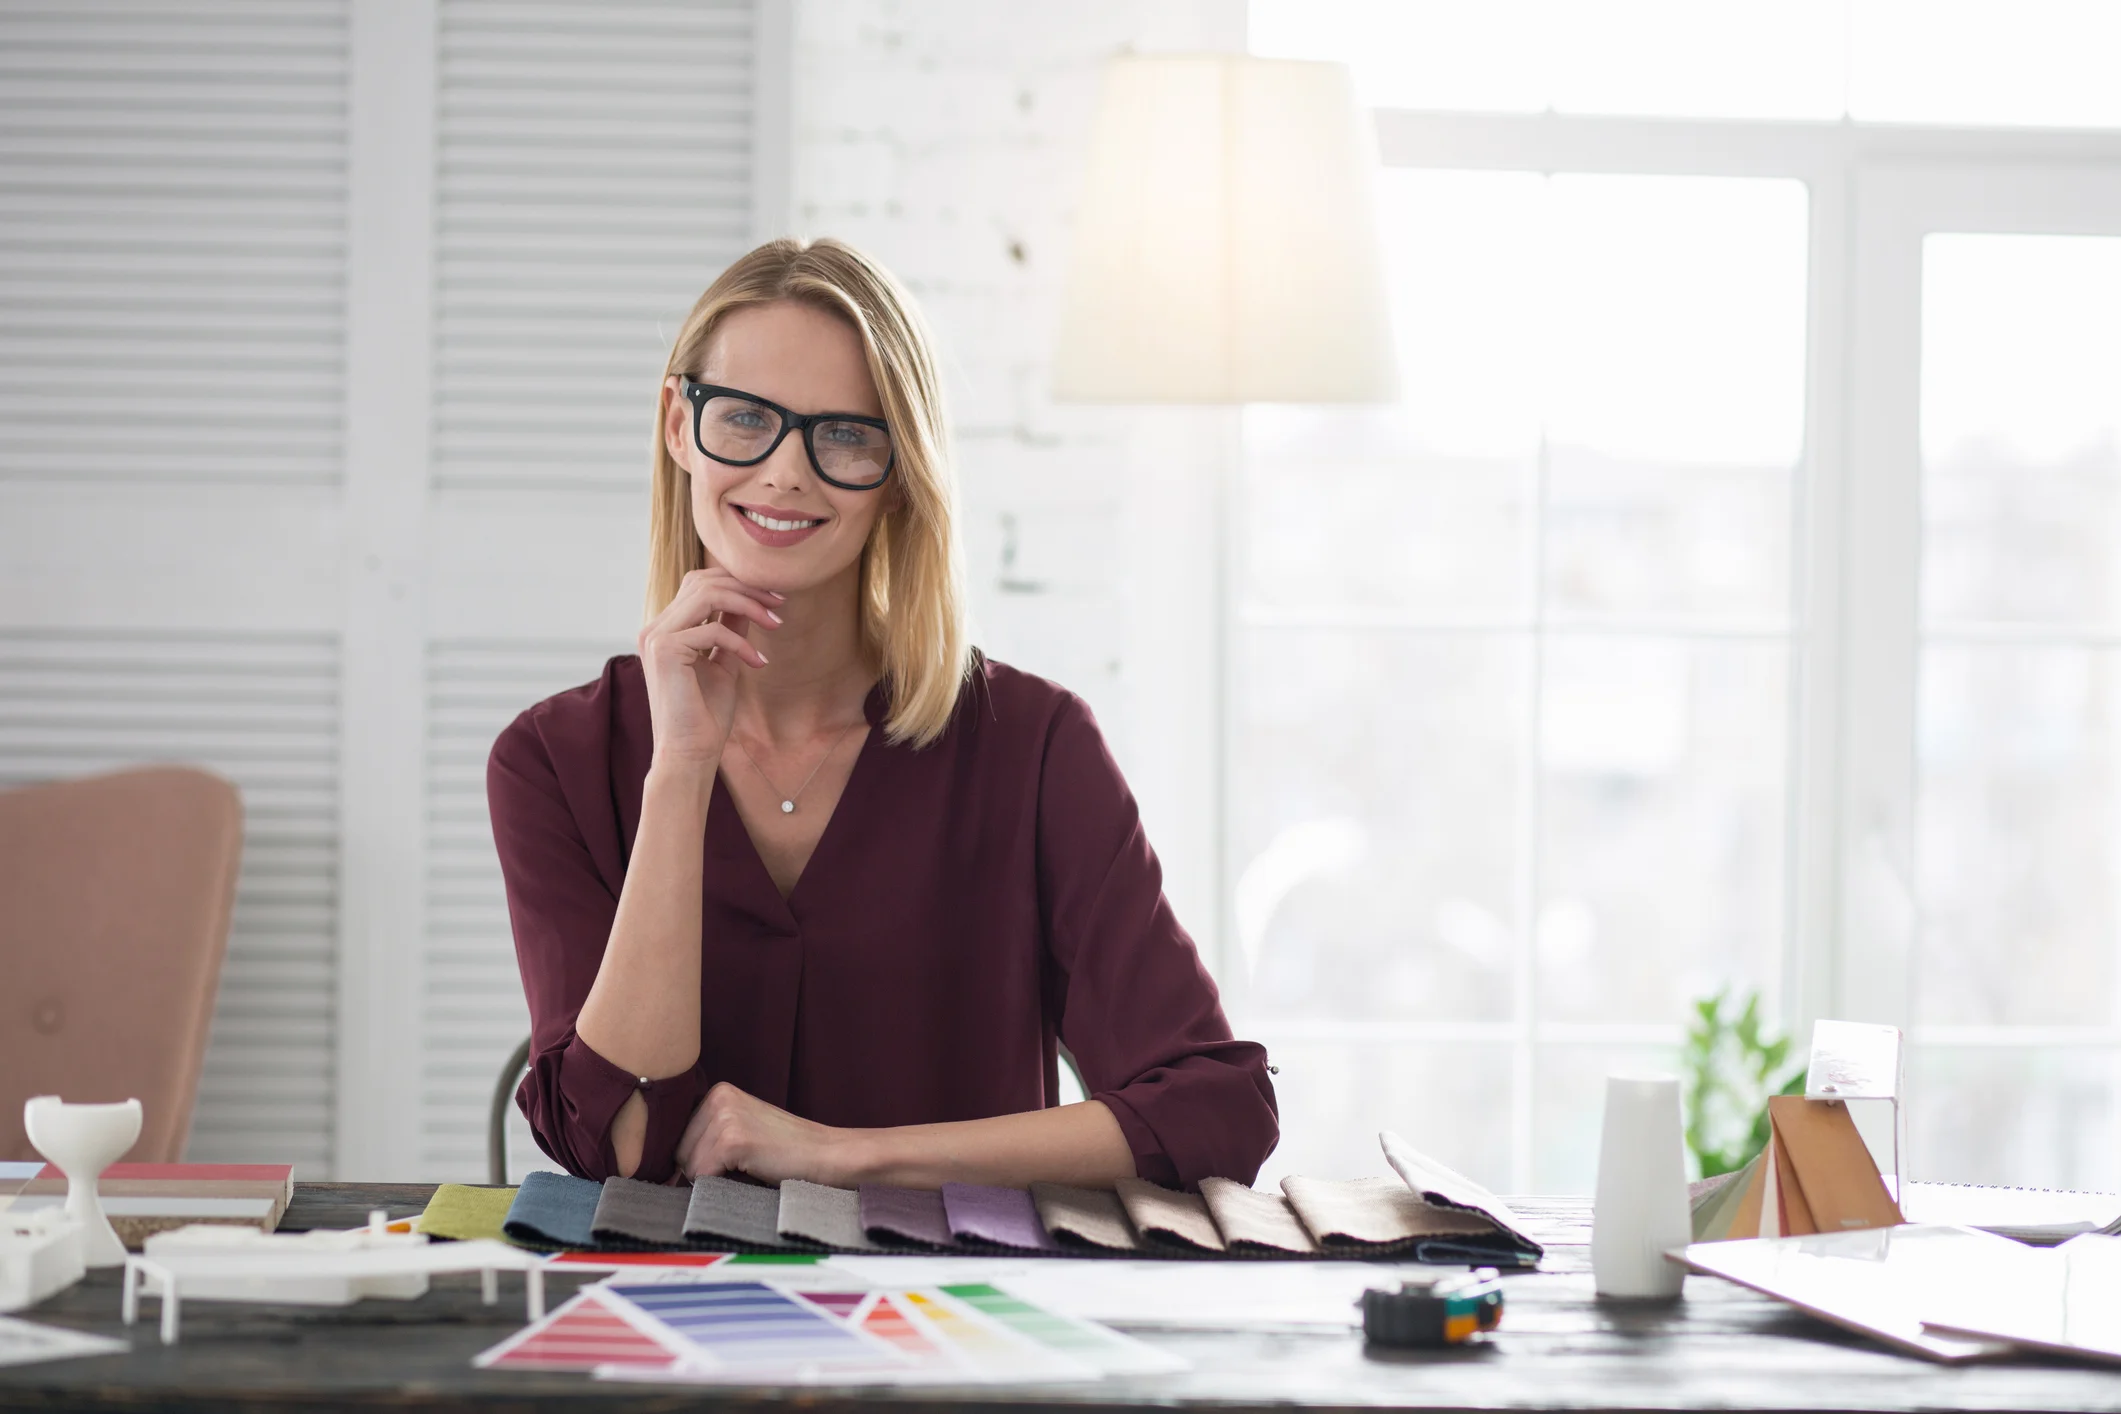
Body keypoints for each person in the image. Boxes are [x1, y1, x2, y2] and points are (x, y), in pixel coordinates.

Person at [488, 236, 1276, 1191]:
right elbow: (617, 1141)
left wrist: (852, 1156)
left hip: (952, 1318)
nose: (784, 472)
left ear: (902, 468)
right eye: (743, 419)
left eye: (846, 435)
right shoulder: (551, 759)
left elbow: (1213, 1111)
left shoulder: (1032, 747)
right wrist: (682, 768)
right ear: (677, 424)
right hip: (672, 1315)